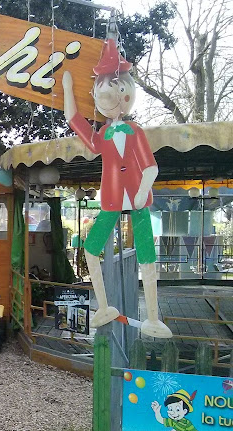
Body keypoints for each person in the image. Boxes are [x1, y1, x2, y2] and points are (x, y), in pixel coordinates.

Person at [62, 38, 171, 338]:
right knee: (90, 249)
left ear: (126, 93)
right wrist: (67, 90)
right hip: (111, 200)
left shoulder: (134, 130)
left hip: (137, 200)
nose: (108, 95)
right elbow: (75, 121)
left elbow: (150, 167)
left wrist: (139, 193)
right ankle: (104, 307)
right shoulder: (103, 134)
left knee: (147, 255)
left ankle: (152, 317)